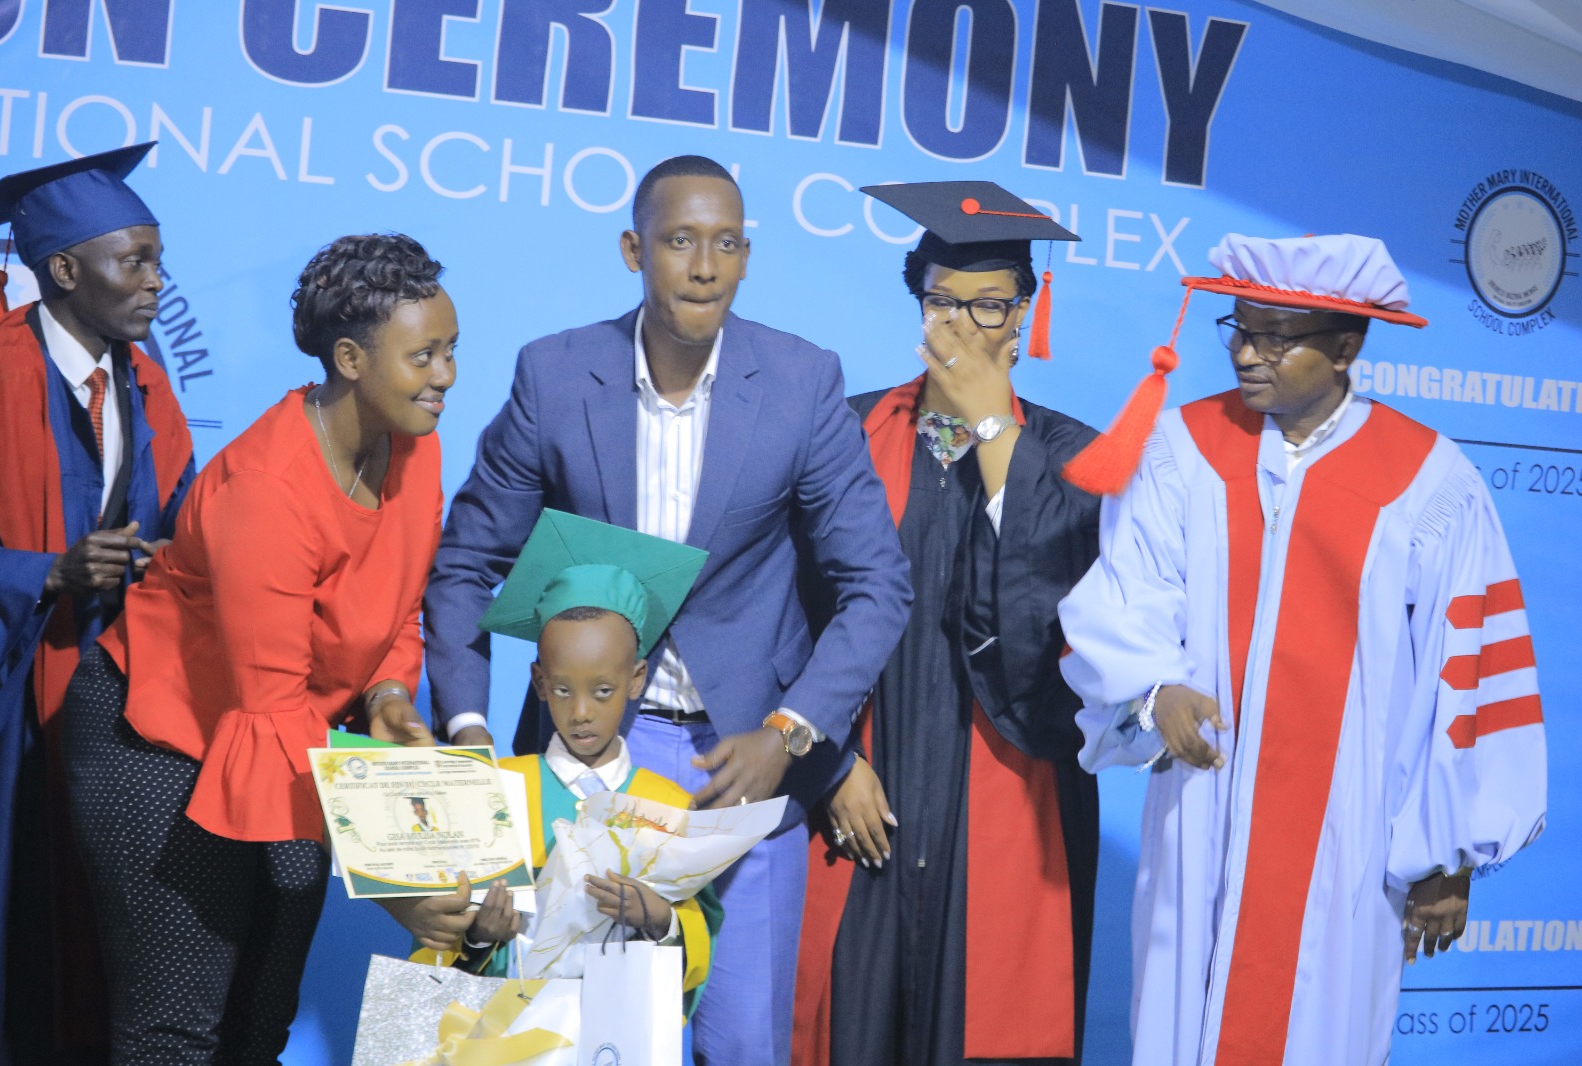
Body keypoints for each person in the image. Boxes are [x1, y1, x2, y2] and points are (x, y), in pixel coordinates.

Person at [425, 154, 912, 1066]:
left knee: (744, 1044)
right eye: (680, 240)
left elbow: (878, 584)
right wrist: (468, 735)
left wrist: (793, 733)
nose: (704, 266)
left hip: (747, 765)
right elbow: (464, 566)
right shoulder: (556, 374)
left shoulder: (802, 381)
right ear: (633, 250)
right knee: (573, 1038)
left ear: (746, 257)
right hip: (589, 760)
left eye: (726, 244)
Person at [1057, 233, 1548, 1066]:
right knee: (1179, 1023)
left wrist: (1449, 854)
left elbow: (1465, 674)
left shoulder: (1428, 480)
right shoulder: (1183, 449)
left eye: (1276, 338)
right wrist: (1156, 689)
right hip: (1201, 816)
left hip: (1349, 837)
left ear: (1347, 348)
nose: (1247, 354)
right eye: (1239, 329)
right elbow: (1124, 594)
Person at [59, 232, 455, 1063]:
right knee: (178, 1032)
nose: (446, 375)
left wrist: (387, 695)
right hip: (159, 738)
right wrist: (393, 887)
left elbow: (398, 603)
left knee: (260, 1025)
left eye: (450, 350)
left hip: (281, 741)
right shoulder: (267, 490)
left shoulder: (415, 443)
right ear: (350, 359)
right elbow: (268, 703)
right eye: (423, 356)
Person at [793, 181, 1101, 1066]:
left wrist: (991, 423)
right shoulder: (848, 433)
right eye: (942, 302)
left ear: (1024, 313)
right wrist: (828, 762)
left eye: (989, 304)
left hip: (1006, 786)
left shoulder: (1077, 457)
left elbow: (1058, 606)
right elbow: (788, 616)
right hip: (861, 786)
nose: (963, 324)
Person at [0, 142, 194, 1064]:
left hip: (110, 707)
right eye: (134, 262)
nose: (156, 282)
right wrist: (44, 574)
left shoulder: (146, 383)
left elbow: (179, 515)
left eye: (158, 260)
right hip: (4, 706)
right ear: (65, 271)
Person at [411, 508, 724, 1017]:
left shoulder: (668, 806)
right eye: (561, 690)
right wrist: (479, 937)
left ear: (637, 680)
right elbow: (437, 944)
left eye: (602, 691)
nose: (581, 712)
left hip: (617, 1032)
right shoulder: (497, 791)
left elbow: (698, 936)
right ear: (539, 682)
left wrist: (661, 919)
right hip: (510, 1032)